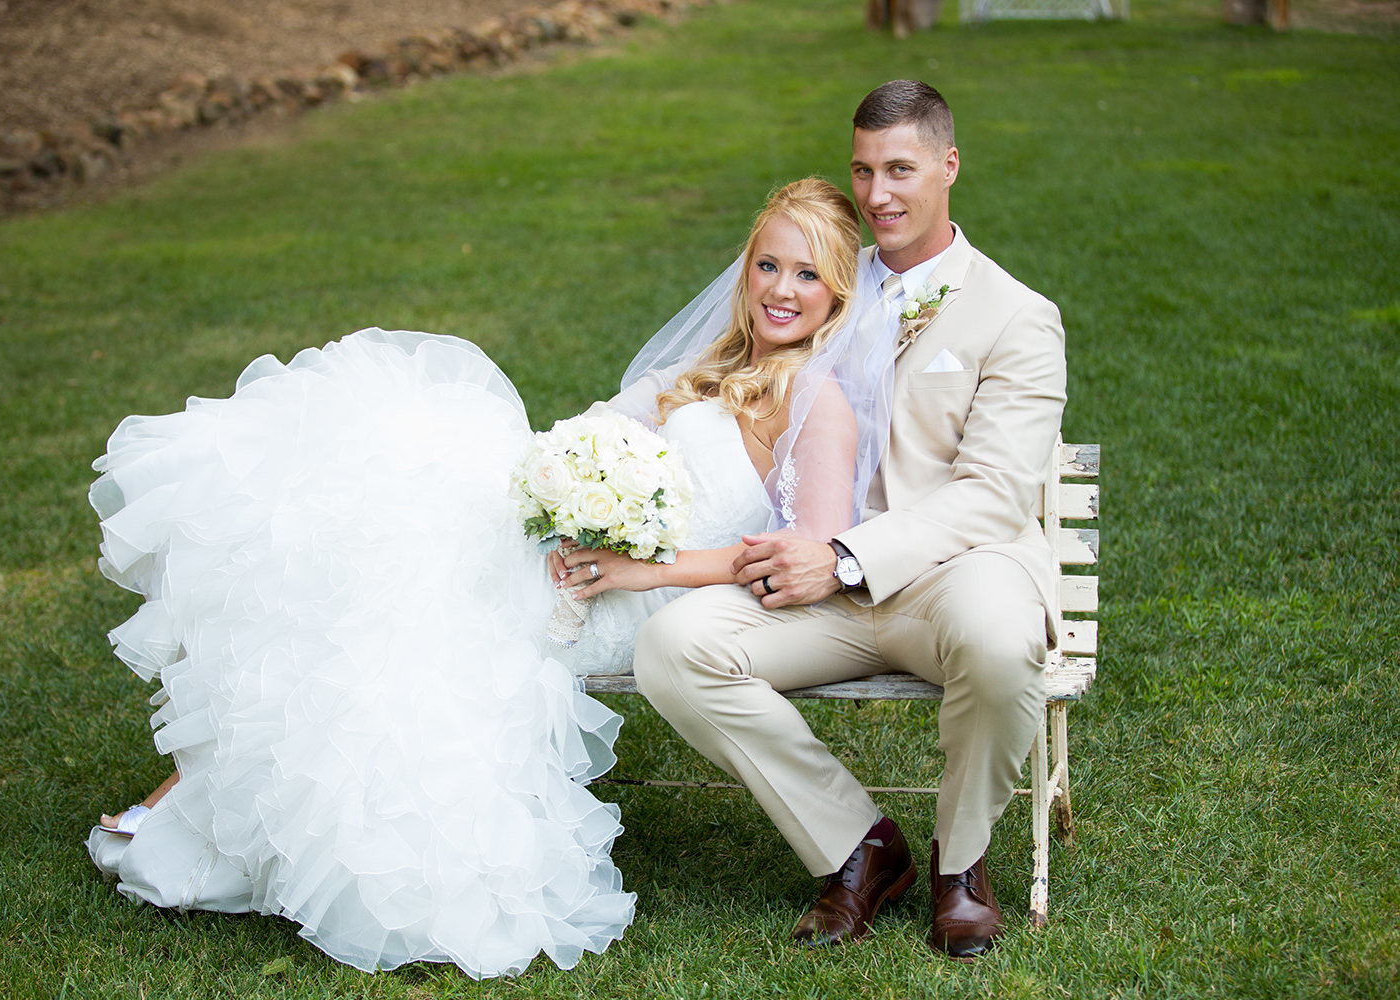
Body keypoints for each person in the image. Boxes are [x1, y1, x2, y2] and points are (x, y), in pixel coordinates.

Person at [86, 178, 877, 978]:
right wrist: (568, 481)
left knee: (405, 591)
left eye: (807, 275)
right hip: (579, 552)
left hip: (643, 596)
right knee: (385, 518)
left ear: (839, 289)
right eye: (768, 264)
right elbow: (604, 427)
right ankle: (214, 785)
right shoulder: (713, 363)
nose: (781, 289)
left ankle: (204, 796)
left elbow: (801, 556)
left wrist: (641, 568)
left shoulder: (817, 401)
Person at [633, 80, 1069, 960]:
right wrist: (600, 443)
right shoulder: (824, 279)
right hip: (819, 588)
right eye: (864, 170)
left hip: (954, 574)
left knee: (996, 635)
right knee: (673, 650)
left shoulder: (1017, 318)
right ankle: (860, 847)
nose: (878, 196)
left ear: (949, 166)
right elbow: (724, 367)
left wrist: (843, 555)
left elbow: (991, 495)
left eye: (901, 169)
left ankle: (964, 862)